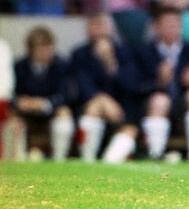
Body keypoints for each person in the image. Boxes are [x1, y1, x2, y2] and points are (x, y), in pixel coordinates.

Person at [135, 7, 189, 162]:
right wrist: (159, 83)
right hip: (152, 106)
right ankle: (155, 153)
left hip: (184, 105)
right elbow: (135, 86)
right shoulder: (144, 51)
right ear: (156, 28)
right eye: (167, 25)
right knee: (160, 100)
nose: (172, 29)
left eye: (175, 25)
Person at [69, 14, 139, 163]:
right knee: (93, 108)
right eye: (95, 25)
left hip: (121, 108)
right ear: (87, 29)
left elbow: (131, 85)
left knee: (130, 128)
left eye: (103, 26)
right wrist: (102, 100)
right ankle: (88, 160)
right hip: (89, 106)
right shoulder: (79, 54)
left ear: (112, 30)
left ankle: (108, 162)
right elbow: (81, 85)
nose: (100, 30)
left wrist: (110, 62)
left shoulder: (125, 52)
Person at [8, 27, 74, 161]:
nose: (45, 52)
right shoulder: (19, 66)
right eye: (40, 48)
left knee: (64, 112)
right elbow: (11, 93)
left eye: (48, 47)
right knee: (12, 118)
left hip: (51, 111)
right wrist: (19, 102)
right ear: (31, 50)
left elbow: (66, 95)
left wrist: (45, 103)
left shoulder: (62, 65)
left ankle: (59, 160)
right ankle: (18, 160)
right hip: (26, 113)